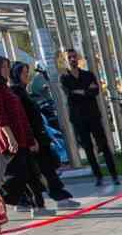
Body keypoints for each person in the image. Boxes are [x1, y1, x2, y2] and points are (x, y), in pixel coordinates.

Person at [0, 56, 46, 216]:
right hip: (10, 137)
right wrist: (10, 138)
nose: (6, 70)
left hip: (21, 134)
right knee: (16, 174)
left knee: (31, 172)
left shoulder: (4, 86)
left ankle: (39, 206)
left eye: (7, 67)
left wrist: (31, 139)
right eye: (3, 67)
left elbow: (20, 114)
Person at [10, 63, 77, 208]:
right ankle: (47, 199)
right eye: (23, 73)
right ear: (15, 75)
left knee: (46, 167)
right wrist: (31, 139)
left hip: (38, 136)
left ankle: (55, 197)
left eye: (27, 72)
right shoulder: (16, 92)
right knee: (40, 170)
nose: (26, 76)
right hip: (32, 139)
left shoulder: (23, 91)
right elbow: (22, 119)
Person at [60, 49, 119, 188]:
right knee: (88, 148)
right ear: (66, 60)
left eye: (74, 56)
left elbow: (95, 91)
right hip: (78, 118)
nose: (73, 59)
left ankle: (114, 175)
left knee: (103, 145)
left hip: (93, 115)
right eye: (69, 57)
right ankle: (98, 176)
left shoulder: (88, 74)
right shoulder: (64, 78)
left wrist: (80, 91)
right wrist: (86, 91)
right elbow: (69, 94)